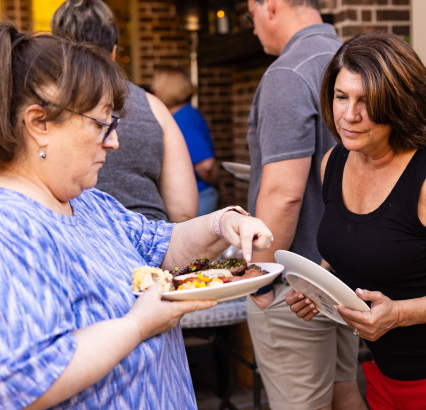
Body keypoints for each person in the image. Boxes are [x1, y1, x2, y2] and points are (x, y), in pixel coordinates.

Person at [0, 22, 273, 410]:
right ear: (38, 123)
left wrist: (222, 224)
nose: (113, 140)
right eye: (101, 123)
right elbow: (22, 380)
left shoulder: (90, 201)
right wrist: (138, 325)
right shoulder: (11, 227)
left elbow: (159, 246)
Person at [286, 31, 426, 409]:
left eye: (368, 102)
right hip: (383, 377)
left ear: (401, 105)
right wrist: (320, 290)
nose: (349, 115)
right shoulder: (335, 162)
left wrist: (400, 314)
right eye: (341, 97)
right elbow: (354, 246)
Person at [244, 1, 367, 409]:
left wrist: (259, 280)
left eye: (251, 12)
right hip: (344, 277)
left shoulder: (288, 73)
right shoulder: (354, 59)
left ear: (271, 6)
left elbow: (284, 192)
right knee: (344, 393)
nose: (253, 24)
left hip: (294, 285)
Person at [51, 0, 198, 223]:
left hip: (75, 244)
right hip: (151, 247)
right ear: (114, 52)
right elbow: (184, 211)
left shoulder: (45, 108)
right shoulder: (153, 106)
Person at [152, 67, 219, 216]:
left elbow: (206, 166)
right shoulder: (179, 115)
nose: (153, 89)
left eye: (156, 84)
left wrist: (216, 184)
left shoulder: (185, 118)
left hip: (199, 196)